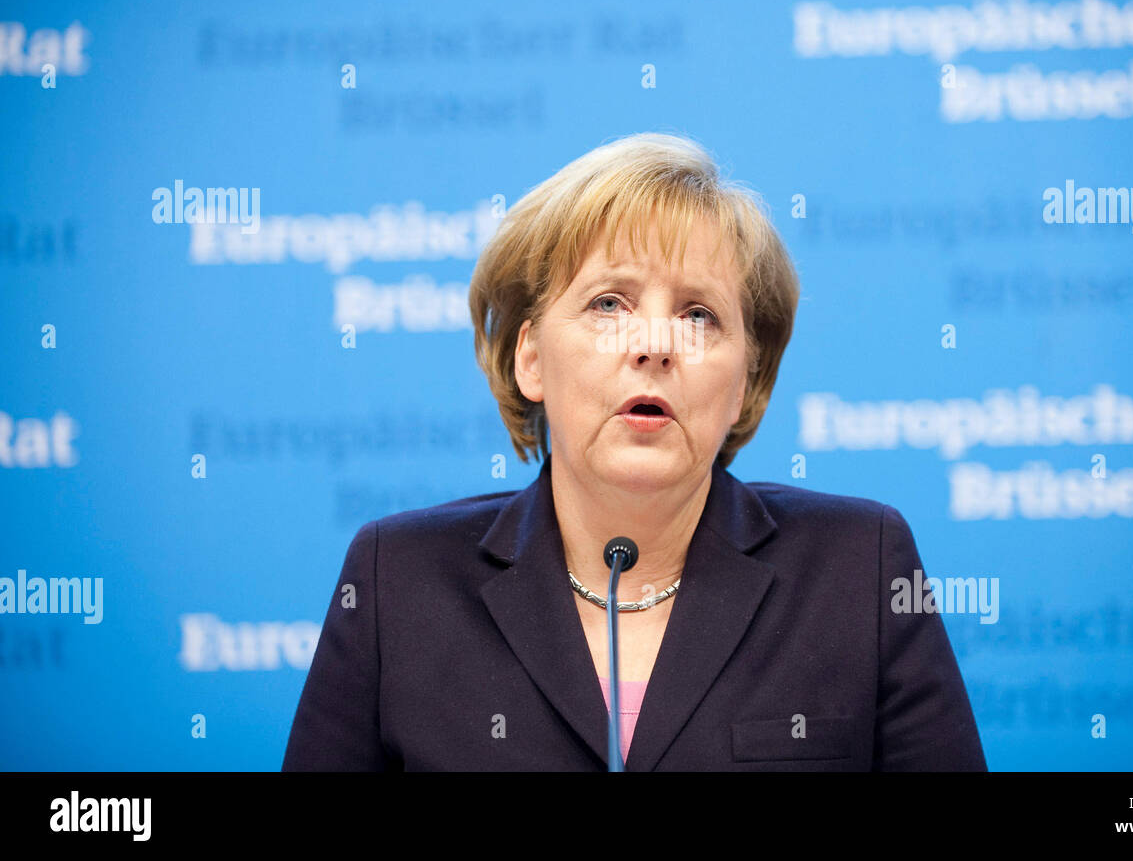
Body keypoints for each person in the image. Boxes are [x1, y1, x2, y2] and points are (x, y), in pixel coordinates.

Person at [282, 132, 986, 771]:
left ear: (745, 382)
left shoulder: (861, 568)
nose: (655, 345)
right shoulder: (398, 583)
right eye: (609, 304)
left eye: (698, 315)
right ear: (530, 357)